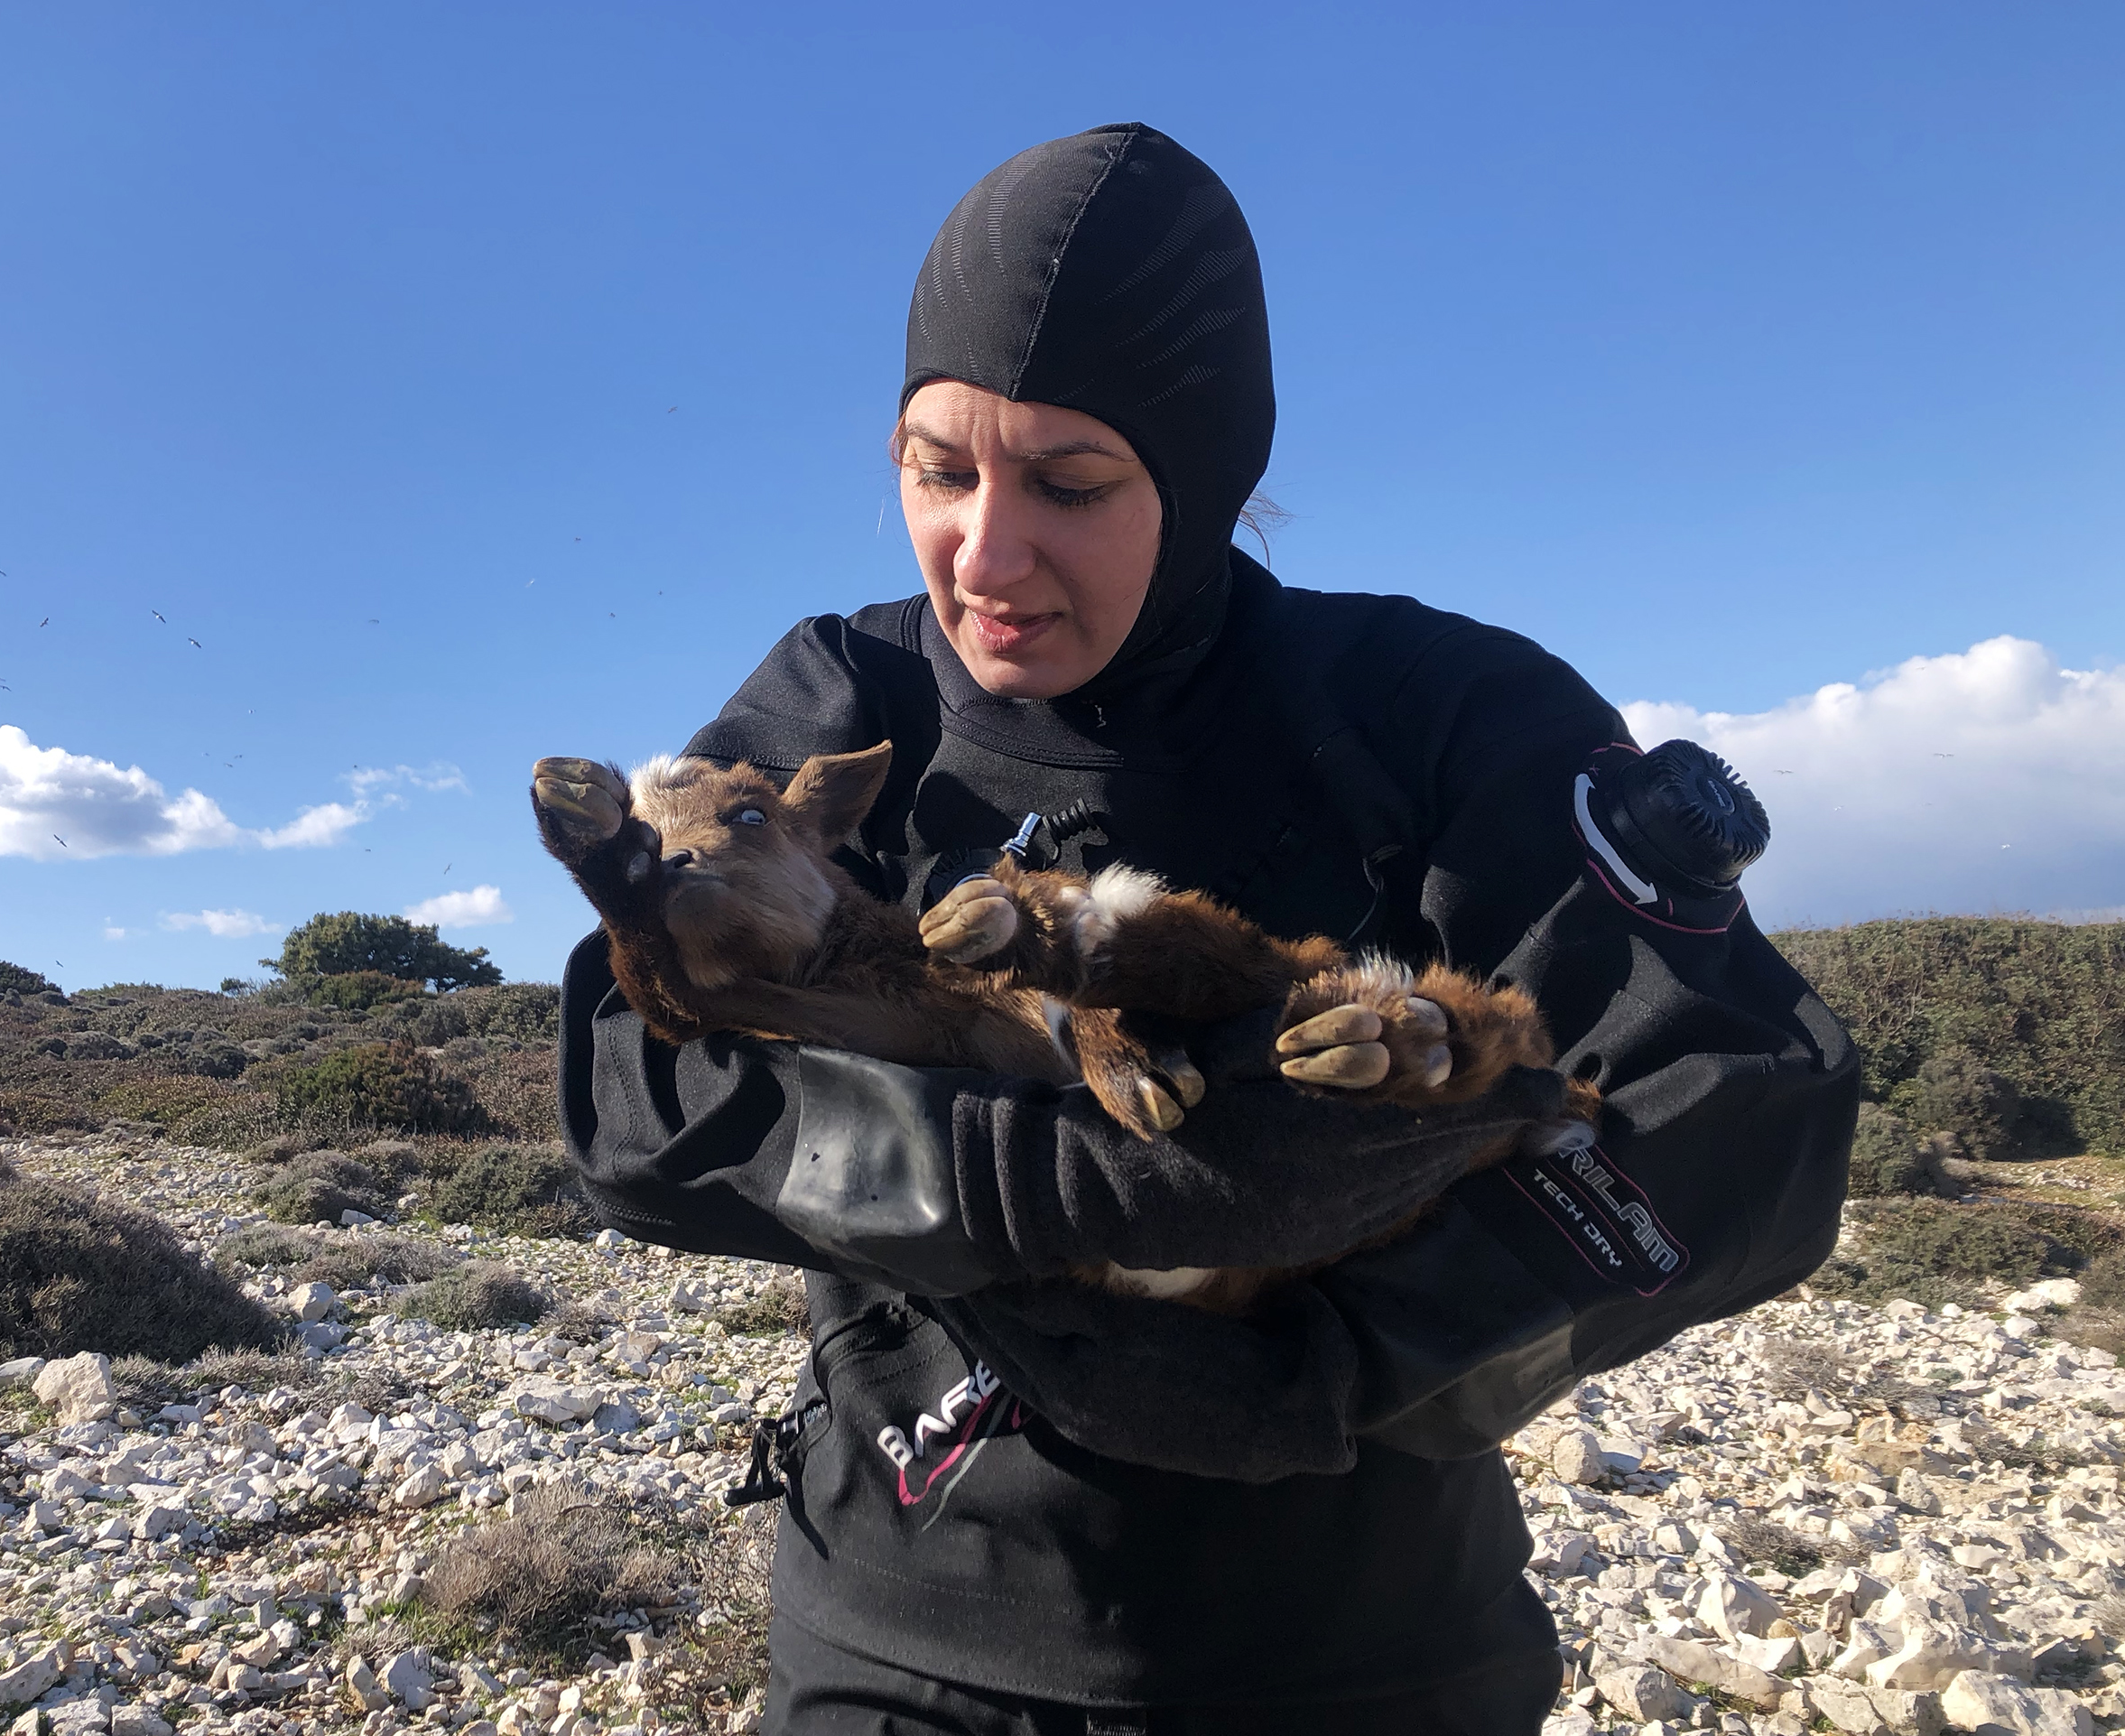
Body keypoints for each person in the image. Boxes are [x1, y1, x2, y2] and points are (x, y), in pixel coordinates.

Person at [556, 123, 1857, 1733]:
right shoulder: (847, 695)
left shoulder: (1437, 711)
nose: (988, 552)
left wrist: (1343, 1363)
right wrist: (1001, 1183)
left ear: (1212, 473)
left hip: (1362, 1663)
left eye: (1073, 483)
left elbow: (1757, 1121)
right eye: (938, 469)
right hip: (899, 1642)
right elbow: (627, 1087)